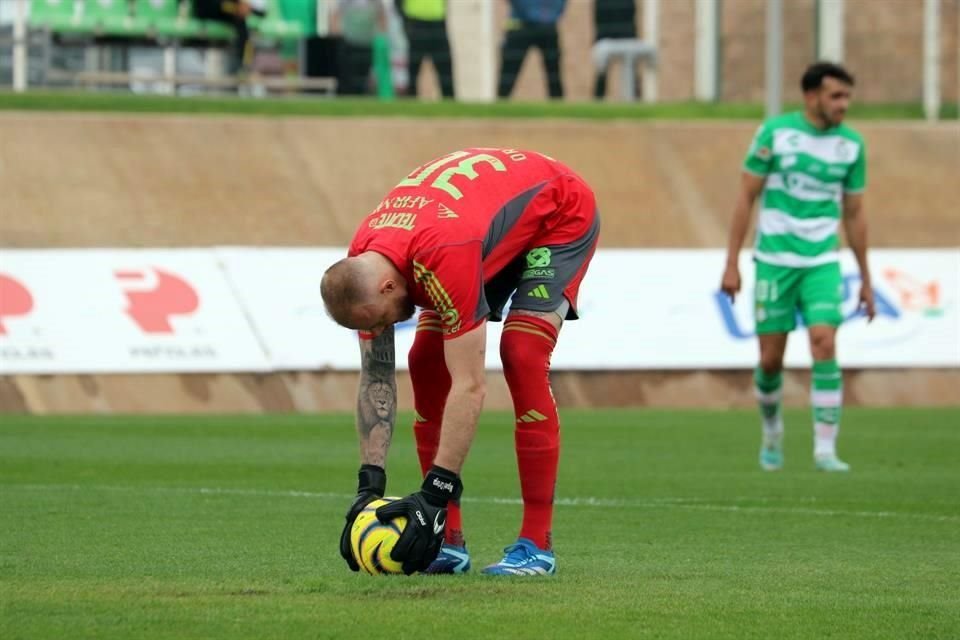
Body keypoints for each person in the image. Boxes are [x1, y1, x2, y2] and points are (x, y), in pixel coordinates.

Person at [321, 148, 600, 576]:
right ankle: (447, 543)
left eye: (383, 320)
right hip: (473, 229)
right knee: (425, 361)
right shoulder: (364, 260)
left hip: (556, 216)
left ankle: (536, 545)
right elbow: (376, 373)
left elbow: (470, 384)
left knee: (521, 354)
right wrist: (368, 486)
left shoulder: (440, 254)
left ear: (388, 286)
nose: (384, 329)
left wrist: (435, 490)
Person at [720, 62, 875, 473]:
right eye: (835, 96)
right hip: (773, 261)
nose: (843, 104)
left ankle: (826, 449)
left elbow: (855, 214)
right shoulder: (776, 134)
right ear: (811, 97)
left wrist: (866, 279)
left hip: (822, 260)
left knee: (824, 341)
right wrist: (731, 262)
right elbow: (745, 198)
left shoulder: (852, 146)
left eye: (846, 96)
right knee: (771, 360)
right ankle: (772, 432)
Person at [497, 0, 567, 99]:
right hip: (519, 25)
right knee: (508, 76)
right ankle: (501, 106)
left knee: (554, 76)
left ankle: (559, 111)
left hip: (547, 26)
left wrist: (549, 15)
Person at [396, 0, 455, 98]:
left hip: (437, 20)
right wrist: (405, 21)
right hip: (415, 21)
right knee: (413, 72)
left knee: (445, 71)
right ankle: (411, 108)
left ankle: (451, 108)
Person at [330, 0, 387, 95]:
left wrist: (382, 36)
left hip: (367, 44)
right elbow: (335, 16)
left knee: (363, 77)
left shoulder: (375, 2)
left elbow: (382, 18)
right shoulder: (346, 2)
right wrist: (336, 35)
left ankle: (360, 95)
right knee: (347, 75)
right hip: (349, 43)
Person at [592, 0, 637, 99]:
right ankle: (598, 100)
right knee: (602, 70)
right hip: (608, 37)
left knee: (631, 70)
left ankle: (635, 99)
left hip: (624, 36)